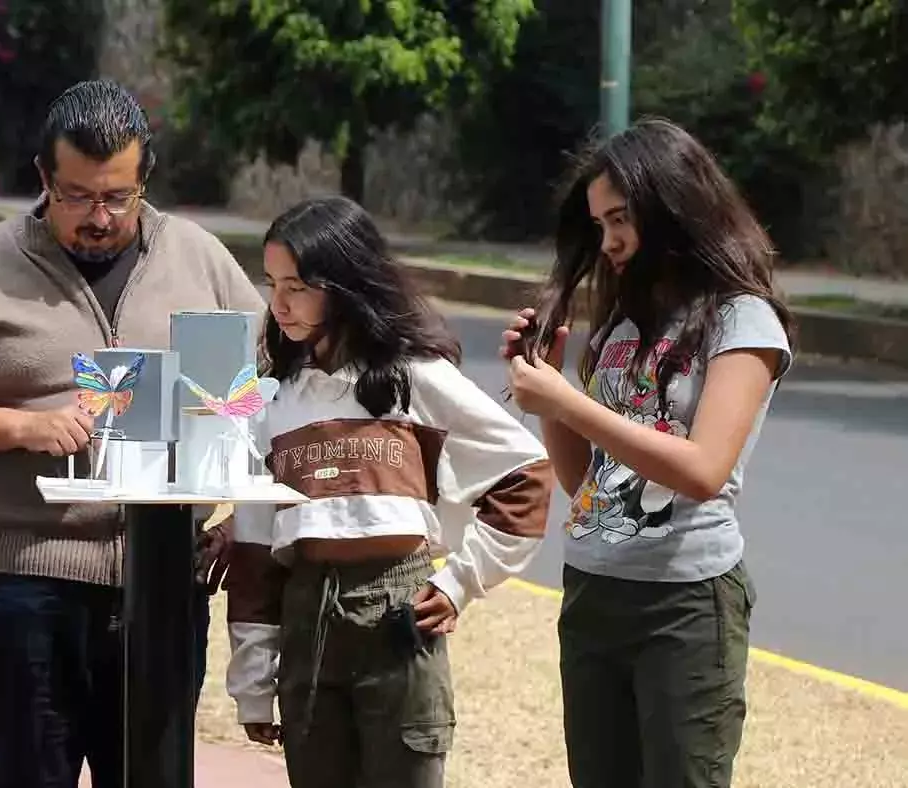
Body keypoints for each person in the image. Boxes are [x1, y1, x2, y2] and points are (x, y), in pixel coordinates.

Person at [0, 79, 263, 788]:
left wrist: (247, 516)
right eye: (76, 195)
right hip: (19, 582)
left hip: (163, 579)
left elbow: (273, 382)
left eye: (118, 197)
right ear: (42, 178)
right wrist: (24, 426)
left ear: (146, 177)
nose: (98, 217)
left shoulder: (200, 259)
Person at [501, 118, 794, 788]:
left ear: (673, 204)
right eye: (599, 224)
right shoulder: (625, 323)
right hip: (594, 592)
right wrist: (551, 396)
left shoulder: (743, 321)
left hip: (685, 605)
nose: (608, 243)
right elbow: (587, 488)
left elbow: (701, 470)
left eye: (621, 219)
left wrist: (569, 403)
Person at [225, 195, 554, 788]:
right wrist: (253, 683)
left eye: (297, 286)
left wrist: (458, 584)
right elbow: (253, 545)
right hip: (307, 623)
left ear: (345, 285)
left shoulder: (413, 378)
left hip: (399, 619)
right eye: (272, 284)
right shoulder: (269, 397)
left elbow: (526, 473)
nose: (278, 303)